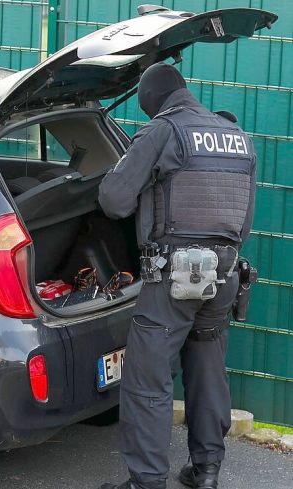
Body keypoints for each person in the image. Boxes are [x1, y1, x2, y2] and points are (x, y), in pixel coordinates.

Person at [97, 63, 257, 489]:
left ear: (152, 98)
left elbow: (113, 200)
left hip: (173, 277)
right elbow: (242, 226)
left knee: (148, 377)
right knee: (207, 367)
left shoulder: (163, 131)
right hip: (224, 275)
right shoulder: (236, 138)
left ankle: (147, 481)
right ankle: (205, 471)